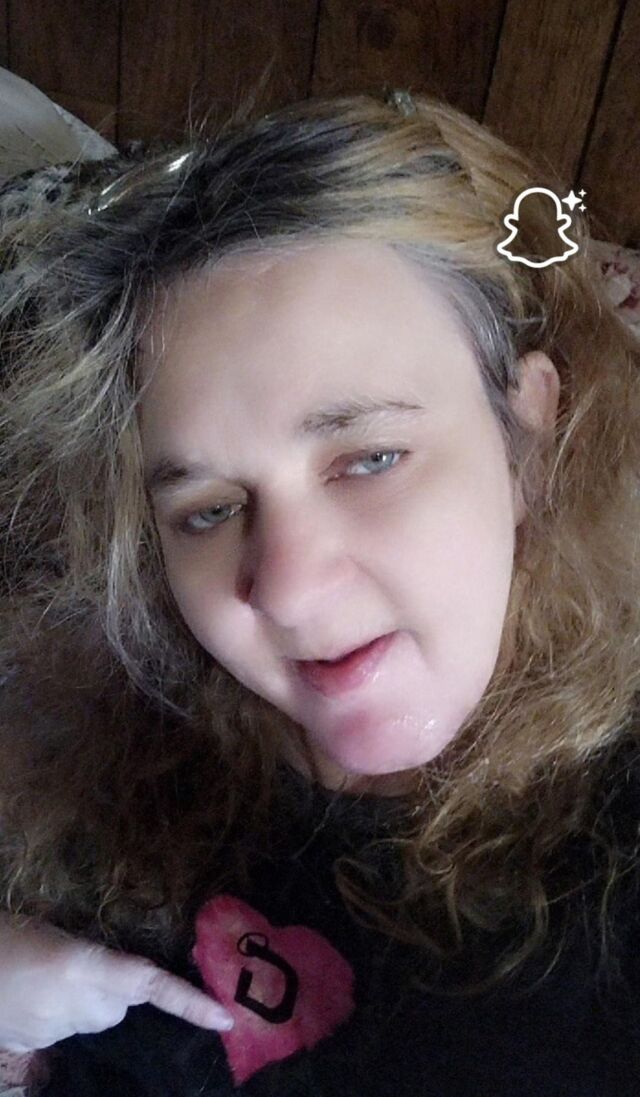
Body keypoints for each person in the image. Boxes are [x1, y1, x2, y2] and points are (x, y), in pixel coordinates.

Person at [0, 87, 639, 1096]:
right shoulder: (114, 730)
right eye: (209, 509)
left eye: (370, 456)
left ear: (525, 435)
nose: (288, 592)